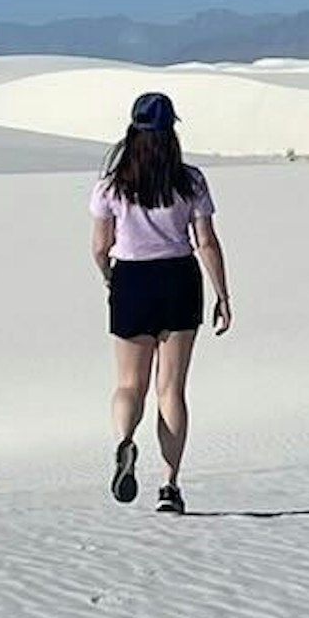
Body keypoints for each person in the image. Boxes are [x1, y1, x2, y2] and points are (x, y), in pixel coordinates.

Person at [91, 89, 231, 513]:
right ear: (171, 132)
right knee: (171, 389)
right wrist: (223, 294)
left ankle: (124, 440)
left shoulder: (111, 186)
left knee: (129, 385)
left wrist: (110, 279)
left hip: (132, 279)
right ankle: (169, 485)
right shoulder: (191, 180)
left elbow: (100, 246)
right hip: (179, 278)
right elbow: (205, 241)